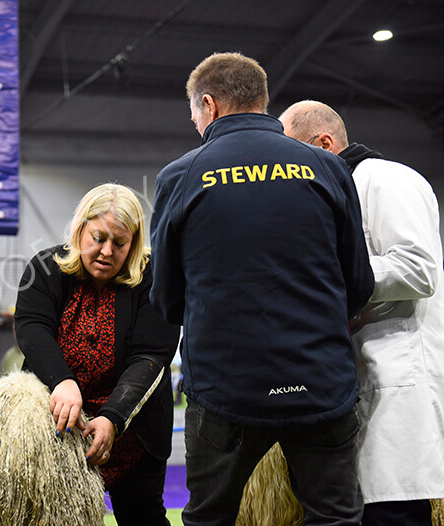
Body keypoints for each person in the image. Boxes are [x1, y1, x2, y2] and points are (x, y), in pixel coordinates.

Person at [149, 52, 374, 526]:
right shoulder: (328, 169)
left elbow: (167, 300)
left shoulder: (180, 176)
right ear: (262, 100)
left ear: (208, 104)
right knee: (335, 517)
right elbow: (358, 284)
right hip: (320, 384)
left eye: (193, 113)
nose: (194, 123)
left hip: (225, 389)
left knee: (211, 518)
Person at [280, 100, 444, 526]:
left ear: (326, 143)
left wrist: (323, 279)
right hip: (356, 391)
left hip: (397, 386)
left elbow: (419, 268)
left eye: (294, 155)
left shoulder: (388, 180)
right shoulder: (341, 192)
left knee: (394, 513)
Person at [14, 183, 180, 526]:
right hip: (59, 428)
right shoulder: (44, 268)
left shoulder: (152, 277)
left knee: (144, 516)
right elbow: (32, 328)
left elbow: (150, 355)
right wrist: (62, 381)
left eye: (120, 243)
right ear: (79, 230)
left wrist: (112, 418)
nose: (106, 251)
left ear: (133, 242)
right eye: (98, 238)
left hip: (134, 429)